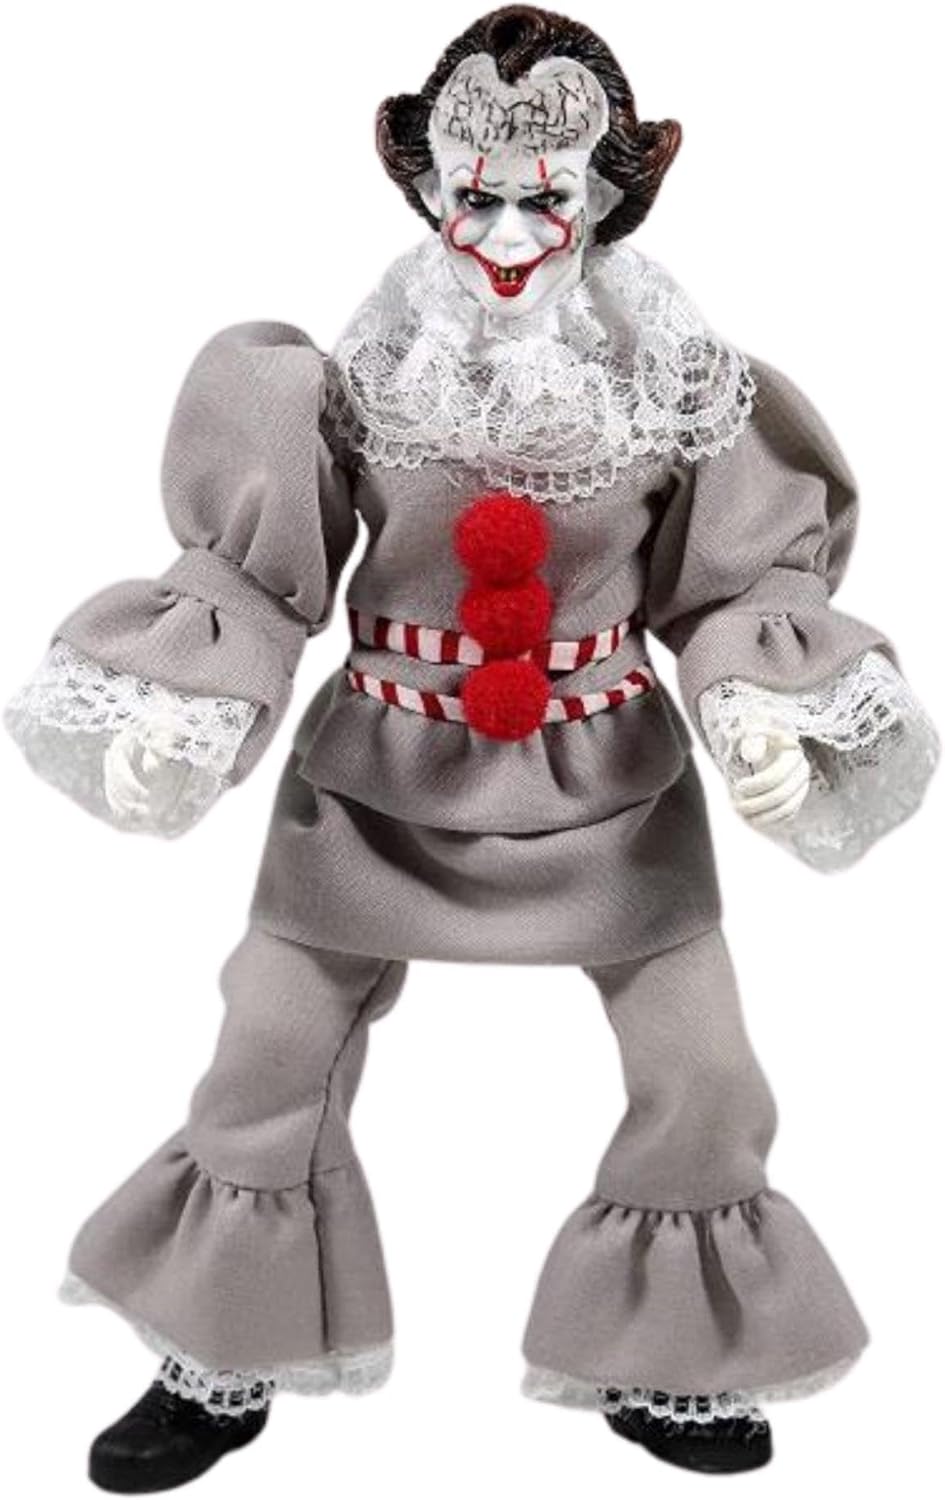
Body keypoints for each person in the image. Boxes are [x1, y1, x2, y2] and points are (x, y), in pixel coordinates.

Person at [5, 4, 939, 1489]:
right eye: (474, 194)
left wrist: (754, 706)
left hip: (607, 785)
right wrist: (185, 710)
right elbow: (259, 572)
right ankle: (218, 1353)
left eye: (544, 194)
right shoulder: (353, 379)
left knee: (703, 1068)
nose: (506, 232)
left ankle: (671, 1359)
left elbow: (735, 583)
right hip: (379, 775)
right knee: (271, 1042)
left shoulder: (675, 386)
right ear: (426, 184)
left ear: (610, 193)